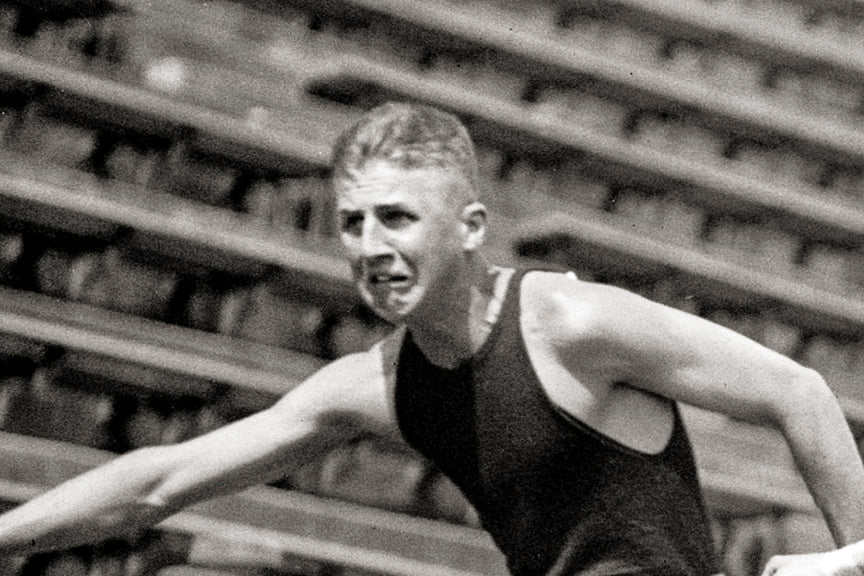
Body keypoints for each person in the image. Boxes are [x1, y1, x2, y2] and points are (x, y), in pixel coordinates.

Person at [0, 101, 863, 576]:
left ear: (471, 227)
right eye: (352, 223)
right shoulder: (377, 383)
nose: (372, 246)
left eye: (398, 218)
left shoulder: (572, 323)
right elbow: (157, 484)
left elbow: (799, 392)